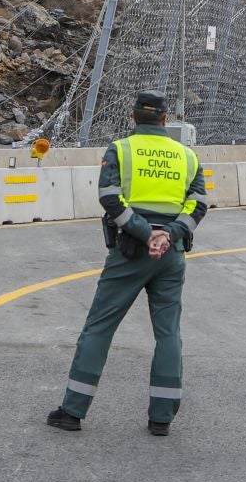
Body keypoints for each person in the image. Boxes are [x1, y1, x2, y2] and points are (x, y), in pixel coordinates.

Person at [47, 91, 207, 437]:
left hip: (130, 253)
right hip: (171, 255)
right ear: (166, 119)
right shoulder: (187, 156)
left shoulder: (120, 149)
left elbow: (109, 197)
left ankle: (72, 412)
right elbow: (199, 204)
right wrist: (168, 235)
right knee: (168, 335)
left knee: (99, 329)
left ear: (133, 116)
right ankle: (161, 419)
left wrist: (144, 233)